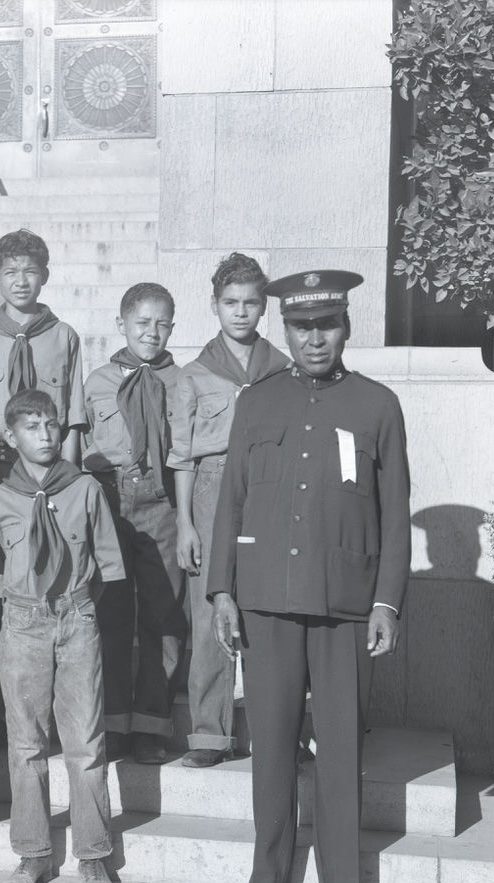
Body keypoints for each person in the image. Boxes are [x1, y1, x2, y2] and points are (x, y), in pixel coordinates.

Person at [208, 269, 410, 883]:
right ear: (285, 330)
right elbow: (231, 497)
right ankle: (268, 875)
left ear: (345, 327)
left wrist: (387, 601)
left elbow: (394, 509)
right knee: (269, 738)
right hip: (265, 596)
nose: (314, 338)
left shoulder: (376, 405)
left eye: (326, 325)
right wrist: (222, 590)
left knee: (340, 741)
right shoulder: (258, 402)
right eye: (301, 326)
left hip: (347, 601)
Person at [0, 228, 86, 751]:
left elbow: (70, 421)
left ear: (45, 275)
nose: (20, 281)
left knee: (42, 584)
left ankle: (42, 716)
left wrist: (66, 486)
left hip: (46, 473)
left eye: (30, 271)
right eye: (9, 273)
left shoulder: (63, 336)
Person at [0, 391, 126, 883]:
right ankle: (33, 854)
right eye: (31, 427)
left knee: (85, 743)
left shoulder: (85, 488)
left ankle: (93, 858)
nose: (44, 436)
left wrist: (75, 605)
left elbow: (107, 564)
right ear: (11, 437)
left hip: (76, 616)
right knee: (26, 744)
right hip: (22, 621)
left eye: (50, 426)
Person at [168, 254, 290, 768]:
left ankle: (275, 730)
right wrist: (185, 523)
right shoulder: (192, 375)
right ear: (215, 305)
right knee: (208, 611)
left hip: (270, 490)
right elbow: (182, 455)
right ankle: (209, 736)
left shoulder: (284, 368)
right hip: (211, 490)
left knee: (269, 609)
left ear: (263, 307)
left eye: (251, 303)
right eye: (230, 303)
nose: (241, 312)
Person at [82, 282, 188, 766]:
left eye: (163, 323)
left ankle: (151, 722)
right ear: (121, 324)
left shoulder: (180, 381)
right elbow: (80, 448)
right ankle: (114, 722)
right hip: (110, 500)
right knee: (113, 612)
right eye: (142, 323)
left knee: (163, 612)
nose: (153, 333)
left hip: (161, 500)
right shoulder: (99, 382)